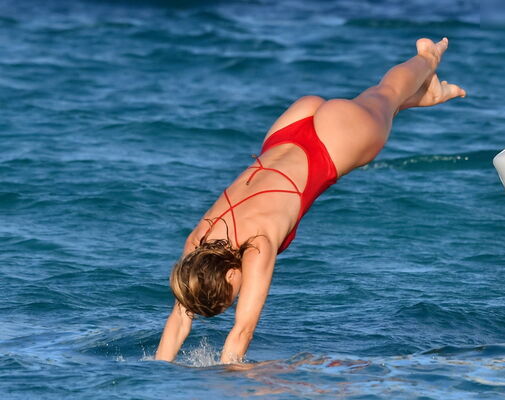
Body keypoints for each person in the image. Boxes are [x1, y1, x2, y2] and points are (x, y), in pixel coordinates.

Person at [155, 37, 466, 364]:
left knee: (386, 94)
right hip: (290, 127)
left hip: (332, 145)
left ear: (231, 276)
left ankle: (428, 57)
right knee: (379, 101)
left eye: (233, 295)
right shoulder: (199, 240)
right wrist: (157, 373)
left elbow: (242, 331)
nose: (238, 294)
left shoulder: (258, 245)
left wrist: (227, 374)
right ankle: (428, 94)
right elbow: (180, 317)